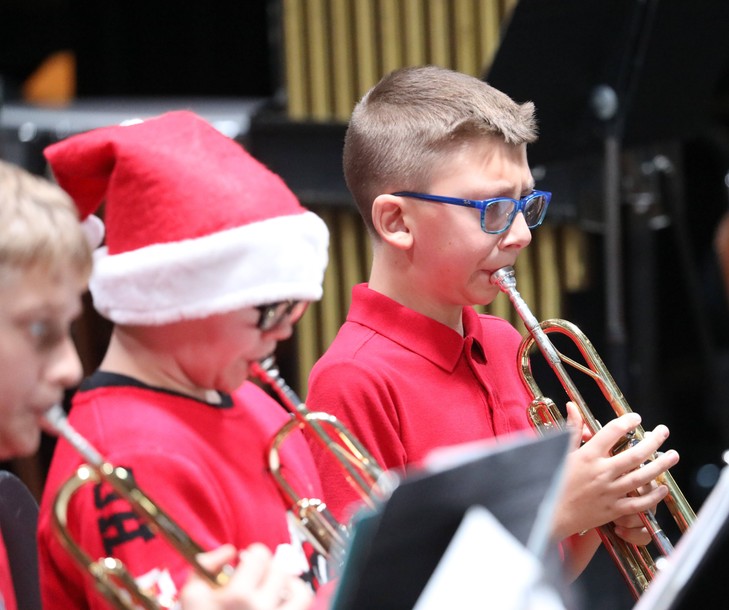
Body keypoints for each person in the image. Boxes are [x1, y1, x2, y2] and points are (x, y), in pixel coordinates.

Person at [305, 65, 681, 579]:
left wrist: (602, 511)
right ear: (396, 221)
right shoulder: (351, 380)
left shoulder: (503, 342)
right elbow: (377, 591)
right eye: (493, 208)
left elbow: (534, 577)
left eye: (525, 202)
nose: (522, 233)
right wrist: (556, 512)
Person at [30, 111, 332, 609]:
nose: (285, 329)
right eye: (271, 308)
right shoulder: (127, 459)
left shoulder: (259, 405)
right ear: (176, 300)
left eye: (297, 306)